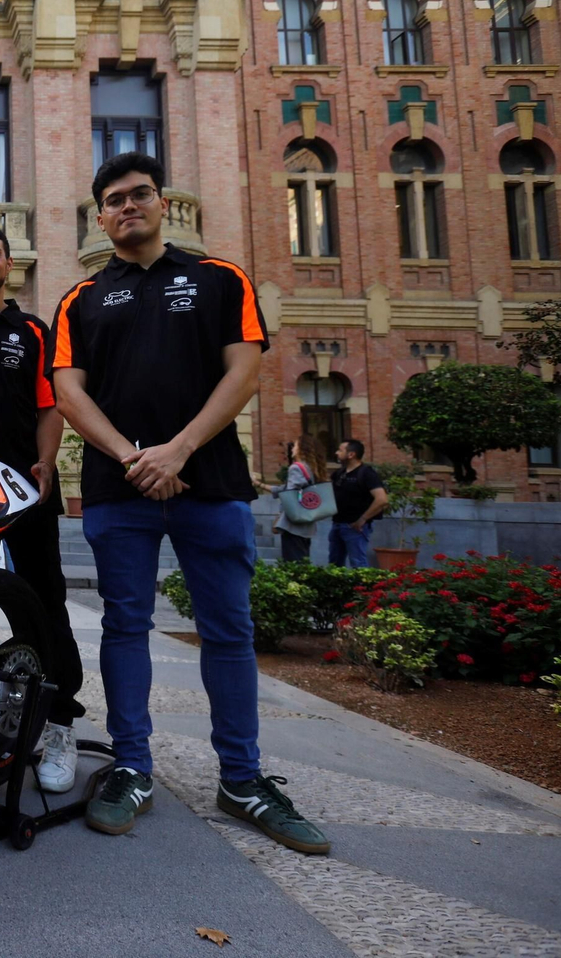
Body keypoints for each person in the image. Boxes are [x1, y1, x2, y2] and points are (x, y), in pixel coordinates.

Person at [51, 151, 329, 855]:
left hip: (211, 484)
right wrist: (134, 457)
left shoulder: (219, 279)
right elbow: (69, 391)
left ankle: (242, 779)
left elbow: (245, 371)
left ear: (162, 204)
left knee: (228, 630)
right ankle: (131, 768)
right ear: (100, 217)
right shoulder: (80, 299)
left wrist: (177, 450)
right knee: (124, 626)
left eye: (140, 194)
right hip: (119, 489)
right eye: (114, 199)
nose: (128, 206)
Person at [0, 224, 84, 794]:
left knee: (46, 599)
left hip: (26, 489)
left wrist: (46, 462)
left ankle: (60, 722)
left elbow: (51, 406)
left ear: (9, 265)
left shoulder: (33, 330)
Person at [329, 439, 389, 568]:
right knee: (334, 564)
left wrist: (362, 519)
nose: (336, 453)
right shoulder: (339, 474)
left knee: (358, 563)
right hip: (337, 524)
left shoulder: (366, 473)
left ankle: (362, 582)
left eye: (340, 450)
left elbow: (382, 499)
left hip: (354, 527)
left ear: (351, 454)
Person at [269, 435, 326, 563]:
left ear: (302, 448)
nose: (292, 449)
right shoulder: (312, 469)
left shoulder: (296, 468)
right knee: (302, 562)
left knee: (292, 563)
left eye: (295, 445)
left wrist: (279, 519)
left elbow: (291, 495)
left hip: (293, 525)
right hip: (306, 525)